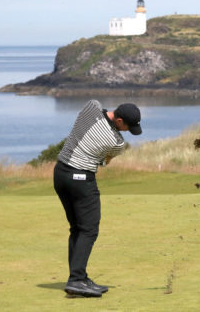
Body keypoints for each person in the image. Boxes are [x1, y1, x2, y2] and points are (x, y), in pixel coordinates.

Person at [53, 100, 142, 297]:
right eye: (128, 126)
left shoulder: (91, 107)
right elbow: (105, 161)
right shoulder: (117, 143)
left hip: (60, 173)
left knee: (77, 228)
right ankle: (76, 280)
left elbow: (97, 108)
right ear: (119, 121)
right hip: (81, 180)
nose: (128, 131)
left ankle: (79, 277)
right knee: (89, 229)